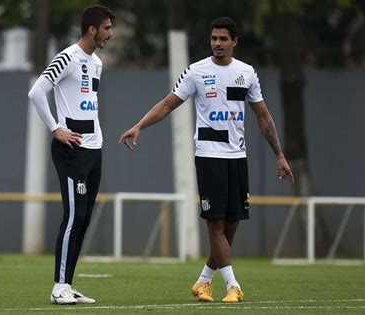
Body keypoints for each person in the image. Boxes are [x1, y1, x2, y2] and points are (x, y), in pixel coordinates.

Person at [118, 17, 293, 303]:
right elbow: (167, 104)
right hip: (209, 155)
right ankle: (232, 285)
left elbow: (263, 117)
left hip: (237, 156)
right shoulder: (197, 72)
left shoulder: (246, 73)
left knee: (232, 221)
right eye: (213, 38)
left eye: (223, 39)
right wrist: (139, 125)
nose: (217, 44)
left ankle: (203, 281)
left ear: (234, 41)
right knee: (214, 223)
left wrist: (280, 155)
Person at [28, 5, 114, 305]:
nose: (110, 33)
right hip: (71, 150)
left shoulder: (98, 63)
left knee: (84, 219)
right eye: (106, 28)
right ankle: (58, 286)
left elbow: (86, 102)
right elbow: (37, 92)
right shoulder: (67, 57)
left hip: (94, 148)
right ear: (92, 29)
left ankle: (68, 285)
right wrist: (55, 128)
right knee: (73, 215)